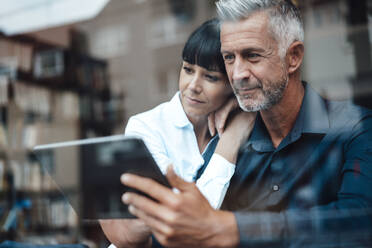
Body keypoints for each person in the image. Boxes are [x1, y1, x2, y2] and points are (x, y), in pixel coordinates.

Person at [120, 0, 372, 247]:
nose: (238, 74)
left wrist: (230, 229)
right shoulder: (226, 146)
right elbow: (186, 231)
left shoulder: (355, 129)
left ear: (293, 57)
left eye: (252, 55)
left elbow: (359, 222)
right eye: (229, 57)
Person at [100, 18, 255, 248]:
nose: (193, 85)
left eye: (210, 77)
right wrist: (230, 140)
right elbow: (183, 218)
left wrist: (245, 111)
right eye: (188, 69)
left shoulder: (251, 129)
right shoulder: (145, 127)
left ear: (232, 85)